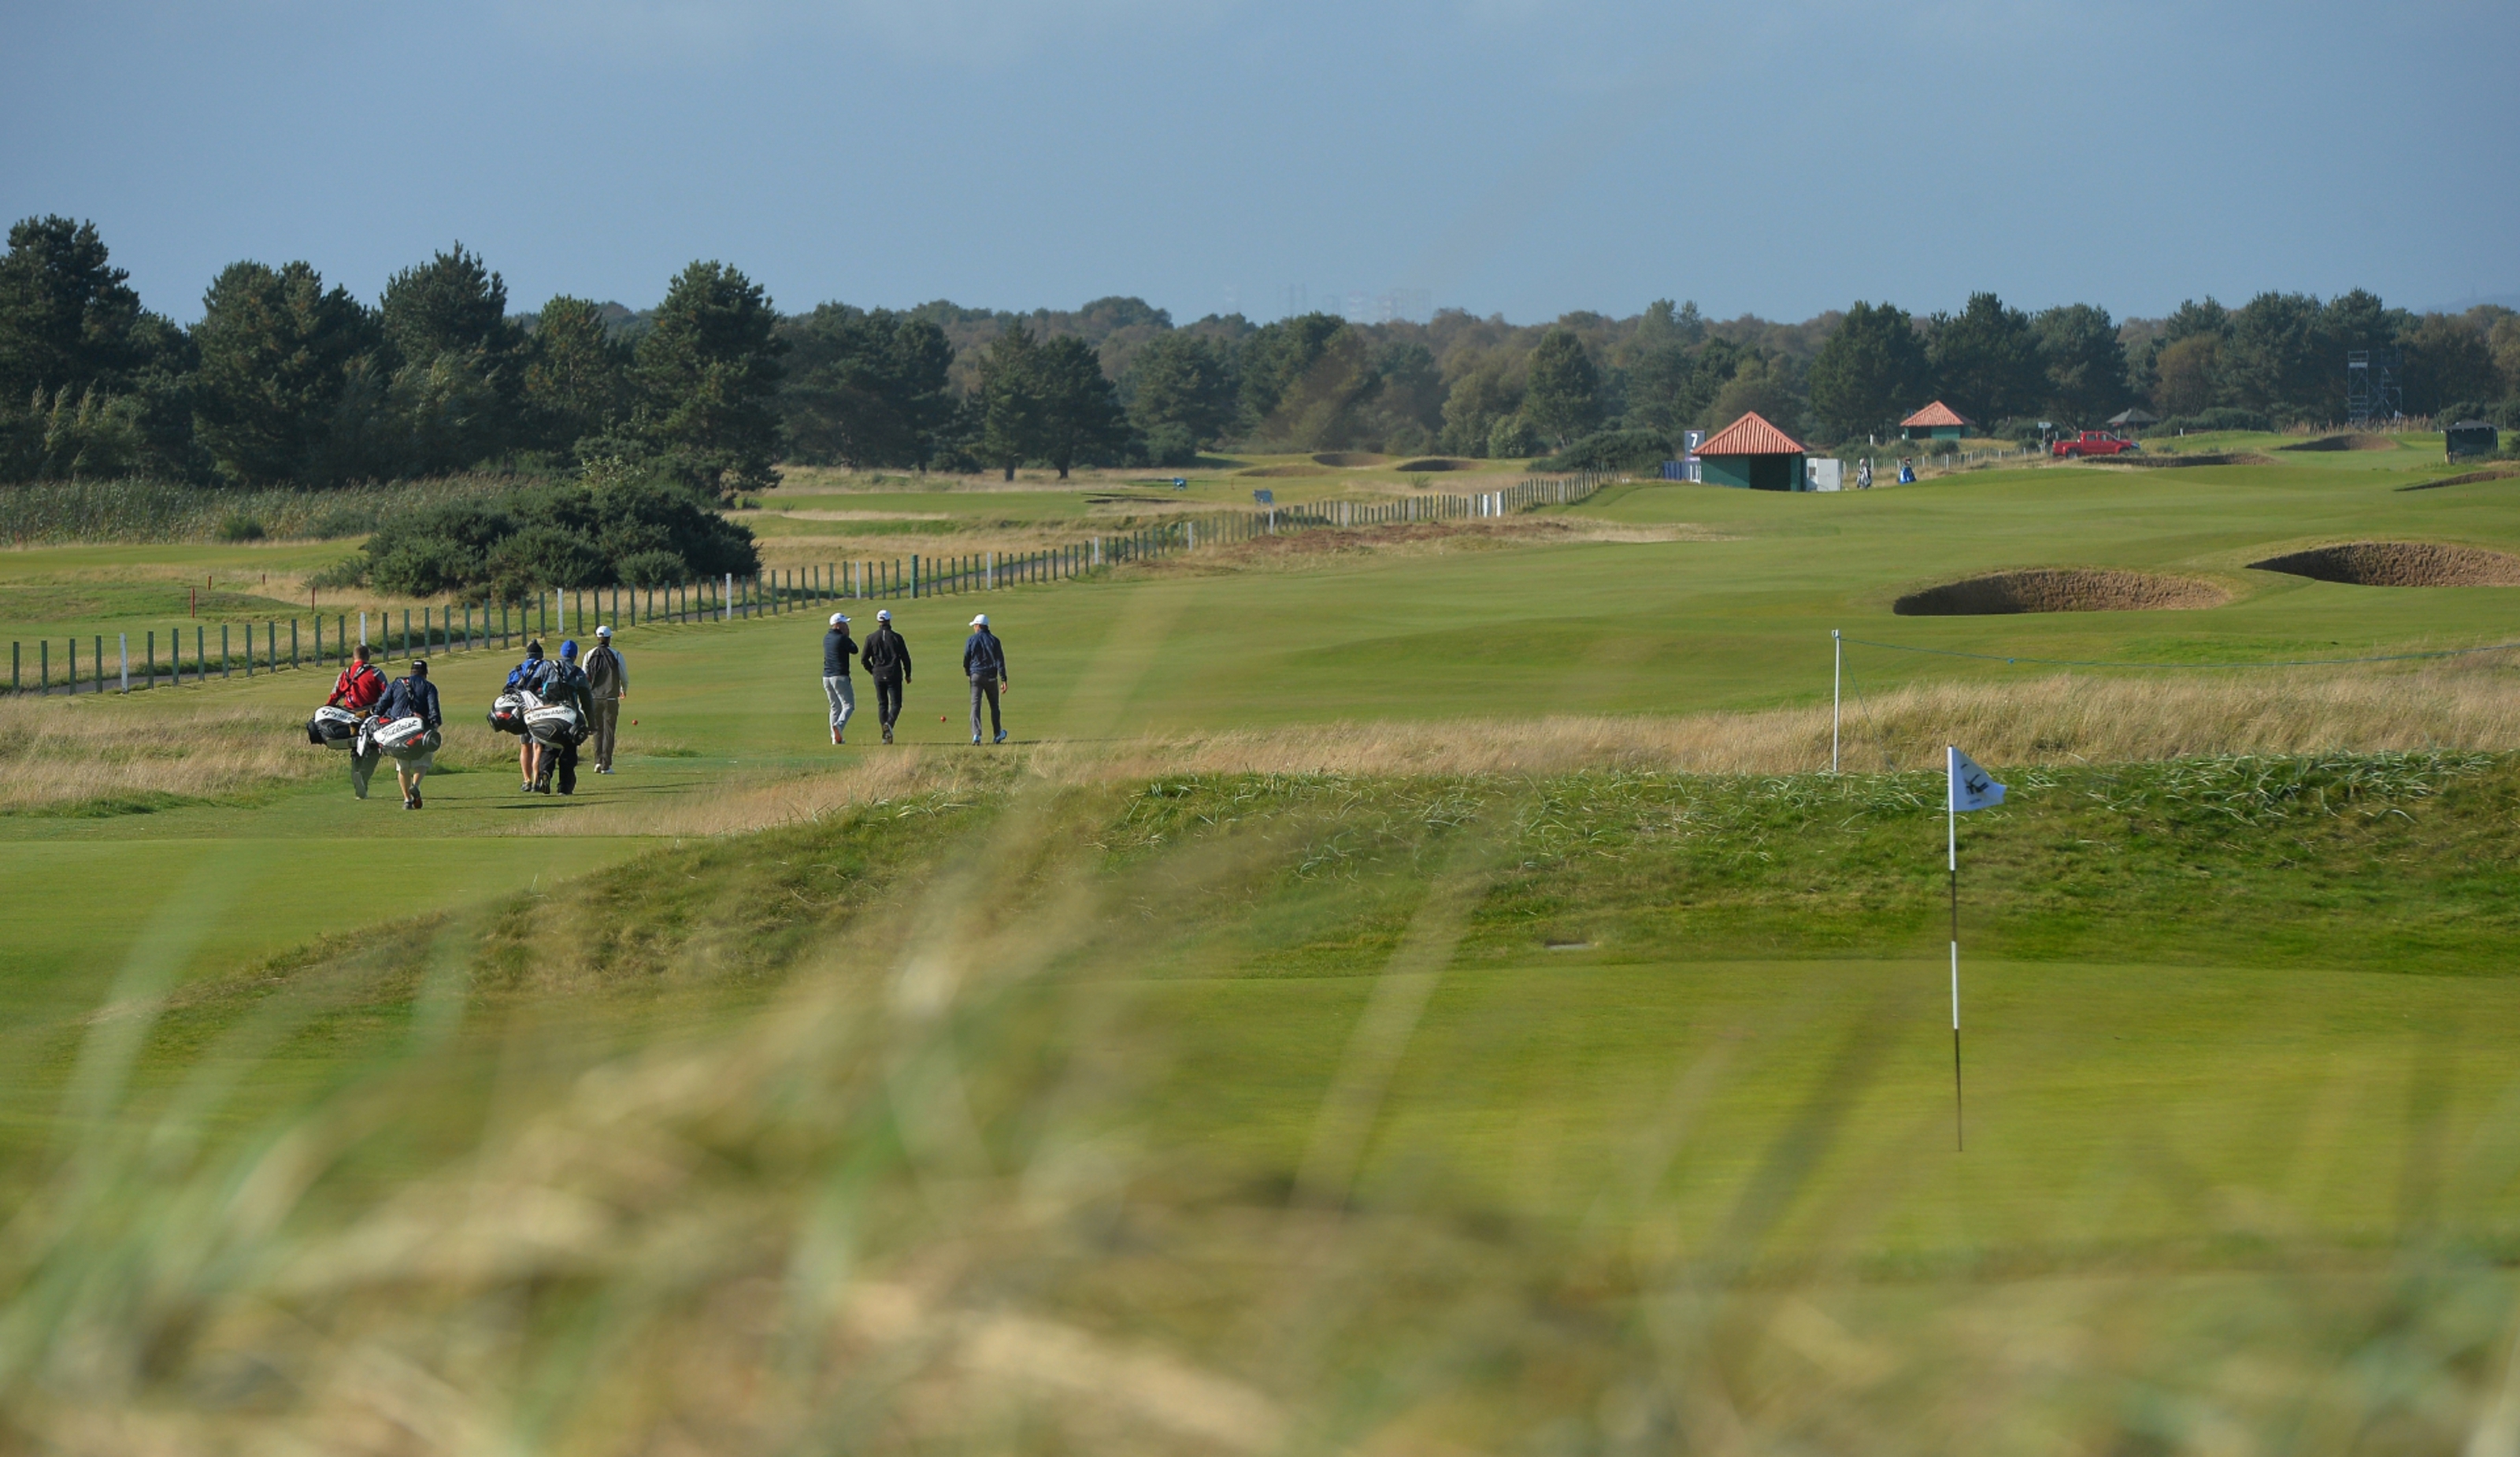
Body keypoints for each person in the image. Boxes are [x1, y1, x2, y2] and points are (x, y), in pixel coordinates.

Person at [372, 659, 443, 810]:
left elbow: (381, 706)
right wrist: (435, 726)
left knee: (402, 766)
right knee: (422, 762)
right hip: (420, 731)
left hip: (398, 730)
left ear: (411, 671)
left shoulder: (396, 684)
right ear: (425, 673)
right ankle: (415, 785)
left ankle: (407, 800)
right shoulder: (429, 687)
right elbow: (434, 711)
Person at [326, 642, 387, 799]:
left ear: (354, 657)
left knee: (355, 749)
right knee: (374, 748)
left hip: (349, 717)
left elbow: (333, 697)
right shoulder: (375, 673)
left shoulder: (344, 674)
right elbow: (388, 694)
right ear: (368, 657)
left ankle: (358, 782)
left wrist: (327, 712)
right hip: (370, 716)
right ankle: (363, 778)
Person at [535, 640, 597, 795]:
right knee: (569, 752)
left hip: (548, 716)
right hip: (570, 719)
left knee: (549, 748)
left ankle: (545, 772)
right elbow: (586, 701)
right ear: (575, 656)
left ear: (562, 653)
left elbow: (531, 687)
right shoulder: (578, 673)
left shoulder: (547, 667)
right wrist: (592, 723)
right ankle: (564, 787)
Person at [862, 608, 912, 745]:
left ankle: (886, 736)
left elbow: (864, 659)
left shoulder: (871, 638)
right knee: (896, 704)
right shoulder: (896, 637)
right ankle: (888, 725)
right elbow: (906, 658)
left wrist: (873, 671)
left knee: (882, 704)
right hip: (893, 674)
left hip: (878, 674)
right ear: (889, 620)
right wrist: (908, 674)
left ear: (879, 621)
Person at [584, 625, 627, 773]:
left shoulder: (589, 655)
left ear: (597, 637)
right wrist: (623, 690)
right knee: (609, 731)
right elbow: (624, 677)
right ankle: (606, 765)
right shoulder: (616, 655)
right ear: (609, 639)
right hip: (611, 699)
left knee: (597, 731)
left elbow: (584, 677)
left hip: (594, 698)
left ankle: (597, 762)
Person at [506, 639, 548, 792]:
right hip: (539, 711)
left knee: (525, 746)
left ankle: (527, 780)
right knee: (538, 746)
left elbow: (508, 689)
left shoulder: (517, 669)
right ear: (541, 655)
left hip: (522, 712)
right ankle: (537, 780)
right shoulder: (545, 667)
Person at [963, 613, 1008, 745]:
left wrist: (968, 673)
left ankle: (976, 735)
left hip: (976, 675)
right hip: (991, 677)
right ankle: (997, 734)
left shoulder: (971, 640)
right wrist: (1004, 679)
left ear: (978, 626)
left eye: (974, 625)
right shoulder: (995, 640)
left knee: (975, 706)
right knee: (994, 706)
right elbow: (1000, 661)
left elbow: (966, 658)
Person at [822, 613, 858, 745]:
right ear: (838, 625)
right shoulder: (842, 638)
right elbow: (855, 650)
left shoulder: (826, 638)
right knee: (849, 705)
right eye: (844, 624)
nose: (846, 626)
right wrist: (847, 636)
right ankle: (839, 726)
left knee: (835, 707)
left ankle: (835, 738)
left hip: (826, 677)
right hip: (840, 676)